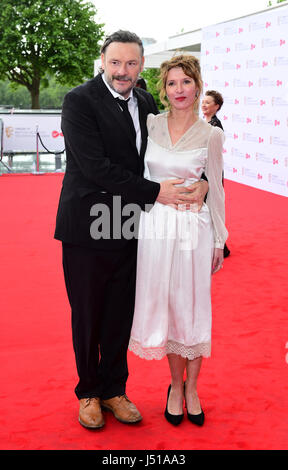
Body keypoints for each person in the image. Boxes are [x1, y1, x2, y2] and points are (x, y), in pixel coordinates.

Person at [54, 31, 208, 430]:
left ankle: (114, 389)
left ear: (142, 65)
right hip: (89, 224)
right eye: (116, 62)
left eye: (132, 63)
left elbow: (171, 153)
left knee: (121, 314)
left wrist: (203, 181)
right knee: (88, 313)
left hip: (134, 225)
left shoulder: (145, 102)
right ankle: (88, 391)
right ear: (103, 60)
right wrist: (158, 193)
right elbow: (94, 167)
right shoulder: (79, 101)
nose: (123, 71)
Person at [129, 55, 228, 426]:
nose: (179, 90)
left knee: (192, 306)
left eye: (186, 82)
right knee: (168, 307)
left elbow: (215, 188)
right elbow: (134, 173)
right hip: (155, 230)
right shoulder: (150, 125)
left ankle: (192, 388)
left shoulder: (211, 134)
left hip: (193, 230)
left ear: (197, 85)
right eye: (172, 84)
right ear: (163, 90)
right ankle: (174, 385)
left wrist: (220, 238)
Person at [202, 90, 230, 258]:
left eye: (208, 102)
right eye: (203, 102)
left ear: (216, 106)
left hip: (212, 172)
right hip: (202, 171)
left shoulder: (216, 127)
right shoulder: (203, 122)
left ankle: (220, 245)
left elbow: (213, 156)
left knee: (214, 207)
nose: (204, 105)